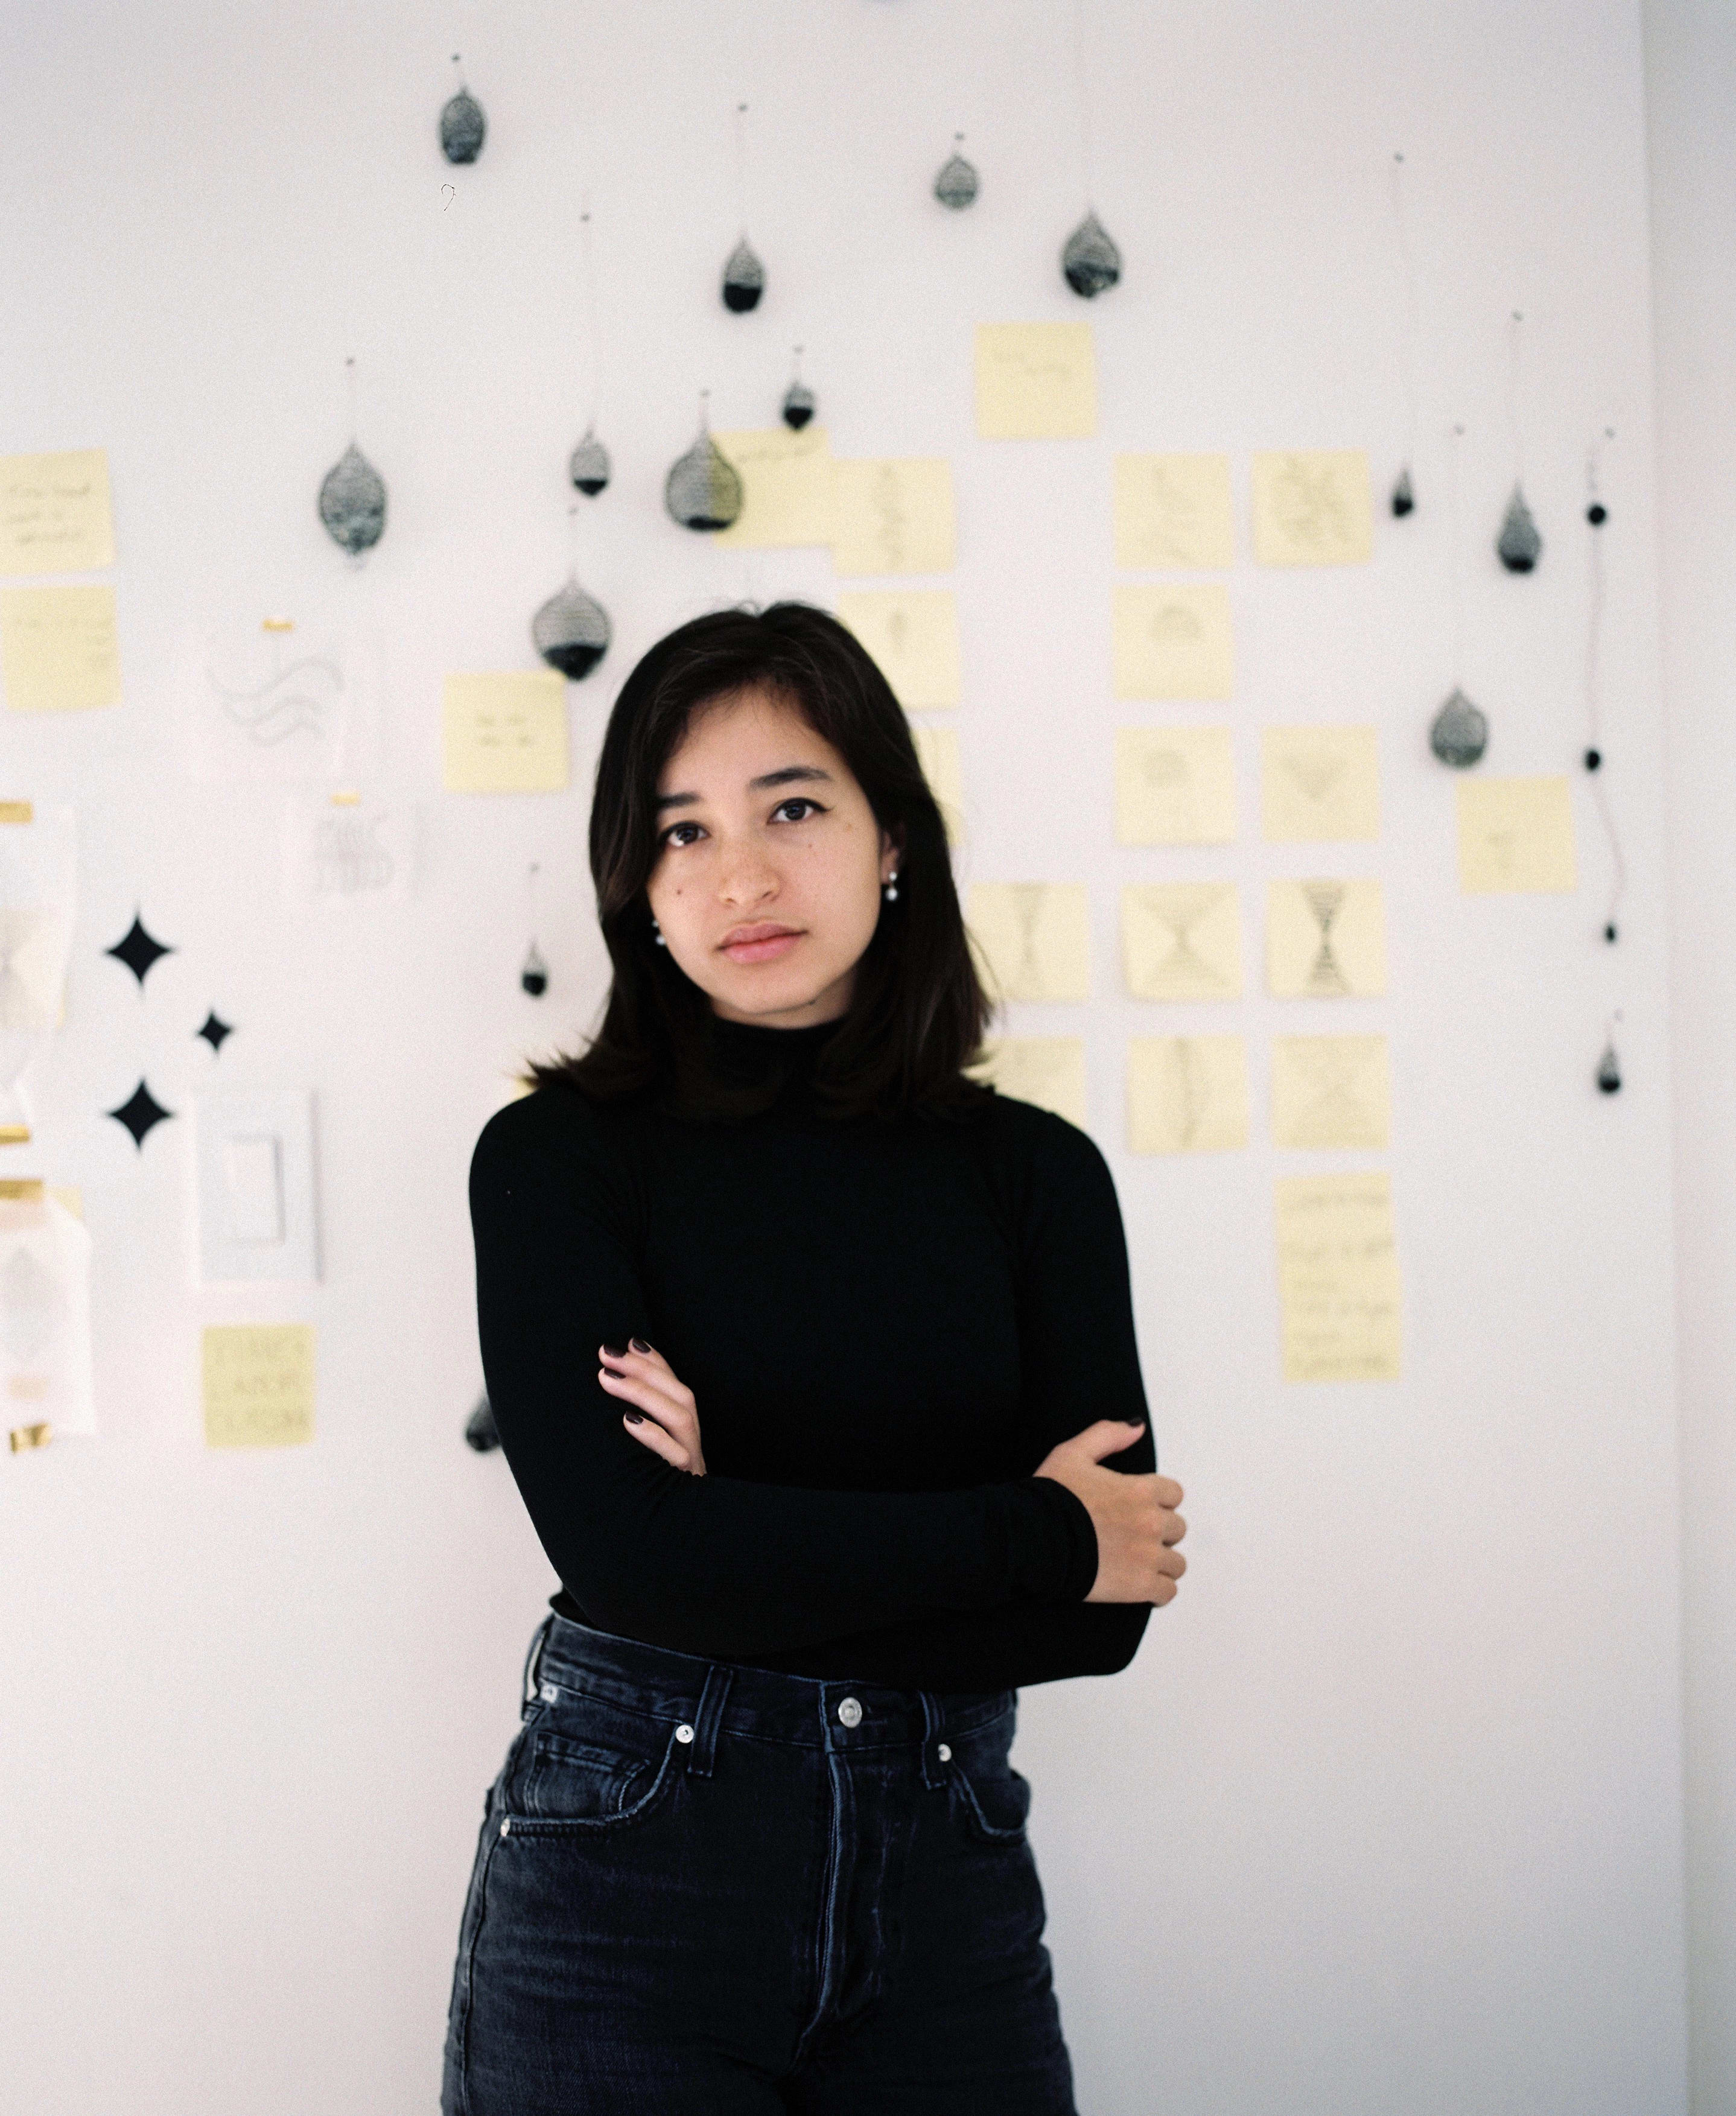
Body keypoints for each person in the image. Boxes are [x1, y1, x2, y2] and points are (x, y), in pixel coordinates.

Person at [443, 602, 1187, 2116]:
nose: (742, 876)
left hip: (948, 1898)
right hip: (626, 1893)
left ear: (891, 833)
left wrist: (738, 1527)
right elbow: (633, 1555)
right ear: (634, 886)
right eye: (681, 832)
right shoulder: (556, 1159)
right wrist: (1026, 1528)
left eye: (791, 806)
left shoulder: (1035, 1175)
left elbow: (1105, 1614)